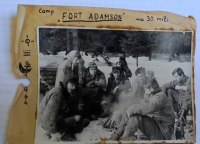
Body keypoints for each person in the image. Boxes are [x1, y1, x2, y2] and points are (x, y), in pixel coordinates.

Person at [39, 77, 90, 142]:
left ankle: (73, 128)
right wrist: (53, 132)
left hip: (55, 118)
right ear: (66, 83)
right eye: (72, 85)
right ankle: (67, 134)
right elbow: (49, 115)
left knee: (77, 115)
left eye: (75, 86)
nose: (74, 88)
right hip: (48, 124)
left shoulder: (63, 91)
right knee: (77, 119)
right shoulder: (57, 93)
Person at [161, 67, 191, 139]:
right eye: (175, 77)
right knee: (169, 90)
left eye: (177, 76)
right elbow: (164, 86)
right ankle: (172, 110)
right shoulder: (176, 81)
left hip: (188, 100)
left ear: (182, 75)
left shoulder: (189, 80)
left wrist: (183, 88)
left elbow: (189, 94)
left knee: (185, 107)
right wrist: (163, 97)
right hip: (180, 99)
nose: (176, 78)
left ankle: (180, 122)